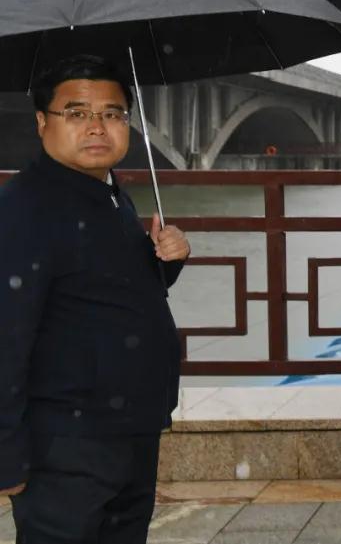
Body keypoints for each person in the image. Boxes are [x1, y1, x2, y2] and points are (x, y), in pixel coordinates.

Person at [0, 54, 191, 544]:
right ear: (42, 121)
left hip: (127, 430)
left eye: (112, 113)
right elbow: (5, 337)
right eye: (77, 113)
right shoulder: (24, 209)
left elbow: (108, 292)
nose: (96, 127)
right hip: (66, 446)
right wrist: (6, 454)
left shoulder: (108, 193)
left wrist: (167, 259)